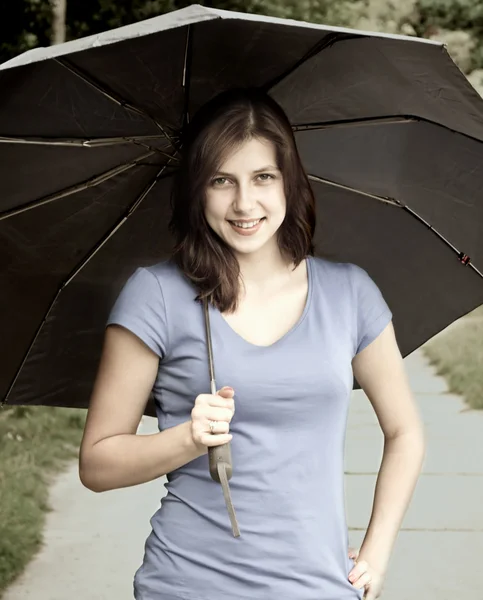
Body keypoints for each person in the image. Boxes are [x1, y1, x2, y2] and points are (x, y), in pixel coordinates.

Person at [79, 88, 426, 600]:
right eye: (222, 181)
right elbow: (96, 464)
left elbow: (405, 432)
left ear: (290, 182)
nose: (244, 203)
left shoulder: (349, 292)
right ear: (198, 189)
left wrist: (376, 553)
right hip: (187, 584)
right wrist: (188, 440)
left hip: (317, 587)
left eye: (263, 177)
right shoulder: (156, 294)